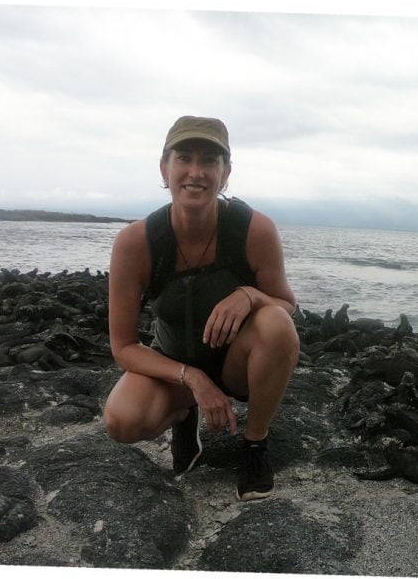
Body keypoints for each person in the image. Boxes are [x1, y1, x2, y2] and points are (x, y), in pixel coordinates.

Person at [103, 116, 300, 501]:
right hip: (174, 366)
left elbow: (286, 304)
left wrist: (249, 295)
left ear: (225, 174)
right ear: (165, 168)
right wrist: (191, 378)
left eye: (210, 160)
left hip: (236, 367)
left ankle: (255, 445)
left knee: (275, 323)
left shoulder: (255, 230)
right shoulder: (135, 243)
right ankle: (186, 413)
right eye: (184, 158)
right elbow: (123, 347)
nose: (197, 172)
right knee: (121, 421)